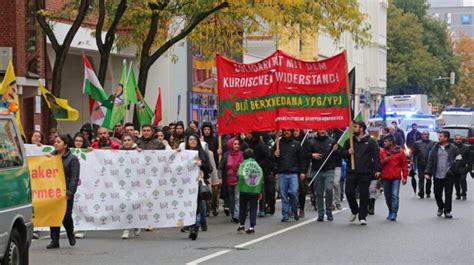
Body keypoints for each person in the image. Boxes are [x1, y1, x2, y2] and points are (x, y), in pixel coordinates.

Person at [341, 121, 382, 225]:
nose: (353, 129)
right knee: (349, 192)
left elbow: (376, 156)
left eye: (355, 127)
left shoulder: (371, 141)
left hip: (365, 172)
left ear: (362, 128)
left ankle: (362, 216)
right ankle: (355, 210)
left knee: (364, 194)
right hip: (352, 171)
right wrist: (347, 152)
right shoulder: (350, 141)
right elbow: (342, 153)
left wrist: (377, 170)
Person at [46, 135, 80, 249]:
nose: (56, 144)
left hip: (65, 192)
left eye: (59, 142)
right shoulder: (50, 156)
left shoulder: (72, 159)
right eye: (55, 142)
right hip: (53, 191)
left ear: (65, 145)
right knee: (54, 215)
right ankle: (54, 240)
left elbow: (74, 177)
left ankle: (70, 233)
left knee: (66, 216)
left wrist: (70, 192)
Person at [272, 129, 306, 222]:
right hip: (282, 173)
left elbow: (302, 159)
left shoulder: (297, 144)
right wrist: (275, 154)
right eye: (285, 131)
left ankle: (294, 209)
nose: (287, 132)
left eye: (288, 131)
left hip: (293, 173)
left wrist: (303, 171)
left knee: (294, 192)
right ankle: (285, 214)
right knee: (283, 195)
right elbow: (271, 159)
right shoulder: (278, 144)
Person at [424, 130, 461, 218]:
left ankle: (447, 211)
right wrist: (427, 172)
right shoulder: (435, 148)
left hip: (448, 175)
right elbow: (431, 161)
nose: (439, 137)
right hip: (437, 174)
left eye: (441, 136)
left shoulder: (453, 148)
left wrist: (453, 170)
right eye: (439, 136)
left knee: (448, 194)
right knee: (437, 193)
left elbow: (459, 159)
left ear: (446, 138)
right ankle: (441, 207)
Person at [306, 129, 339, 222]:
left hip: (329, 170)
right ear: (317, 130)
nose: (322, 131)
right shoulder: (311, 141)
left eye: (324, 129)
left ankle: (329, 210)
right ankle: (320, 213)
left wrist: (336, 150)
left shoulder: (331, 141)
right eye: (320, 129)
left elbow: (338, 155)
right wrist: (312, 155)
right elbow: (306, 154)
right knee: (319, 192)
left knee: (329, 189)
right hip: (317, 170)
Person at [185, 134, 212, 240]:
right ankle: (192, 225)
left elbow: (209, 168)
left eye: (194, 139)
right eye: (190, 139)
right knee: (189, 205)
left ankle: (195, 226)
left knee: (198, 205)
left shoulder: (202, 153)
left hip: (198, 182)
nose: (192, 141)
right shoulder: (184, 153)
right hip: (186, 183)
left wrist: (201, 164)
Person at [380, 135, 408, 221]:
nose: (384, 143)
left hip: (396, 177)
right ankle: (390, 210)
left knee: (394, 195)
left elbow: (404, 164)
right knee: (387, 196)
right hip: (385, 177)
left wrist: (405, 176)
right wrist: (385, 160)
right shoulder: (382, 152)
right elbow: (379, 164)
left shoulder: (400, 151)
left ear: (391, 142)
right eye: (384, 142)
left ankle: (394, 212)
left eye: (386, 142)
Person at [244, 132, 273, 217]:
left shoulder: (262, 145)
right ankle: (249, 207)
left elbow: (268, 157)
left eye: (249, 134)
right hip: (249, 169)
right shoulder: (247, 143)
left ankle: (262, 208)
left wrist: (258, 165)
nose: (248, 135)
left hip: (259, 169)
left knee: (260, 190)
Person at [120, 133, 143, 238]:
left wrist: (140, 153)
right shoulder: (118, 152)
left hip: (135, 183)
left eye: (129, 140)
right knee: (125, 205)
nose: (127, 142)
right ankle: (126, 228)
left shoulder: (138, 151)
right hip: (122, 183)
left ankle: (136, 223)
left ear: (133, 141)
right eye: (124, 140)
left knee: (134, 205)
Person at [237, 149, 264, 234]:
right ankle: (252, 226)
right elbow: (261, 178)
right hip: (255, 190)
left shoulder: (243, 164)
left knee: (243, 208)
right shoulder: (257, 165)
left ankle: (241, 225)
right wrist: (260, 191)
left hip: (244, 189)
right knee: (253, 208)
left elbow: (239, 174)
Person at [220, 137, 244, 223]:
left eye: (238, 144)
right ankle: (232, 213)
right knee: (231, 198)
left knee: (237, 197)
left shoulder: (242, 154)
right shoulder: (226, 155)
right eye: (235, 144)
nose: (237, 146)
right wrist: (220, 178)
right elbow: (221, 167)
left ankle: (236, 215)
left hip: (239, 180)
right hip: (228, 180)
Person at [201, 122, 220, 216]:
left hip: (214, 165)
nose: (207, 131)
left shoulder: (216, 140)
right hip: (205, 167)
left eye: (208, 129)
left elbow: (217, 154)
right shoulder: (201, 140)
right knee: (207, 187)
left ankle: (214, 205)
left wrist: (219, 152)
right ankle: (208, 207)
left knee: (215, 187)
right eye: (205, 129)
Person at [413, 131, 434, 199]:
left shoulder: (432, 143)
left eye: (427, 134)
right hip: (420, 164)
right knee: (421, 178)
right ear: (422, 135)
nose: (426, 136)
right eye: (425, 134)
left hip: (429, 164)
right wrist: (413, 164)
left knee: (428, 179)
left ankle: (428, 192)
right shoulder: (417, 143)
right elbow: (414, 154)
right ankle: (421, 192)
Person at [453, 135, 470, 200]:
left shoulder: (466, 148)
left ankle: (464, 193)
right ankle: (458, 194)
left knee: (462, 180)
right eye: (457, 139)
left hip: (463, 167)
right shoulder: (452, 147)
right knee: (456, 182)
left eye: (460, 139)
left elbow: (470, 158)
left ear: (462, 139)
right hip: (454, 167)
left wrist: (470, 167)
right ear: (454, 140)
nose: (458, 140)